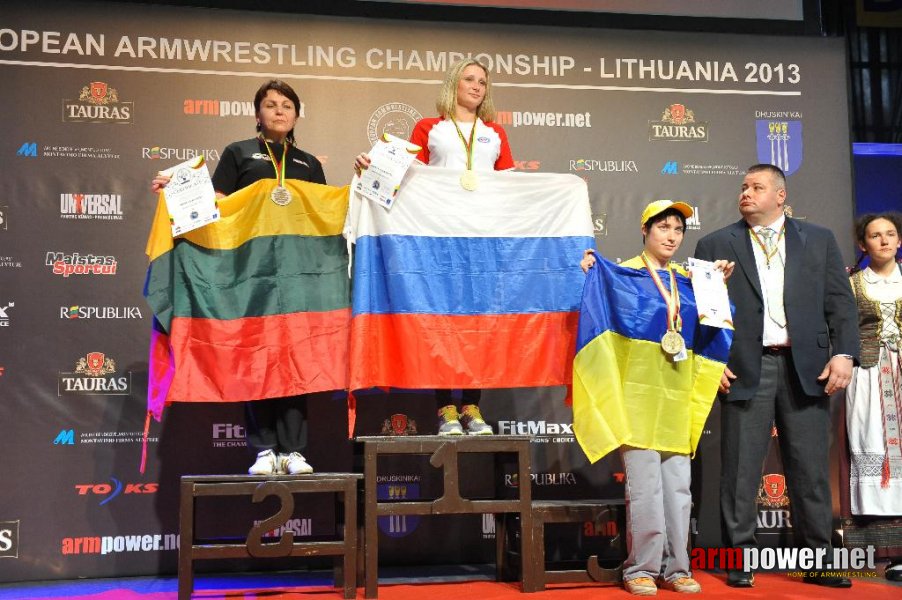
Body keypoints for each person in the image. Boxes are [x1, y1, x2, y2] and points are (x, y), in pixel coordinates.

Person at [694, 164, 860, 588]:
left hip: (807, 367)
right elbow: (704, 313)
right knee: (739, 470)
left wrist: (843, 354)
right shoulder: (715, 242)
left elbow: (841, 304)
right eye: (743, 187)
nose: (746, 193)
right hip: (746, 366)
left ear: (780, 196)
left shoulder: (818, 239)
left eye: (757, 187)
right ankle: (740, 558)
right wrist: (709, 362)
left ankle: (819, 559)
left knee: (810, 471)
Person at [151, 79, 326, 476]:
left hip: (296, 276)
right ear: (258, 115)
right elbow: (215, 203)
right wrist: (176, 188)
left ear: (296, 115)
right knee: (257, 356)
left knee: (295, 357)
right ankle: (265, 449)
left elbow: (323, 216)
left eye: (286, 105)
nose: (279, 110)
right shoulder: (239, 153)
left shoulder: (310, 164)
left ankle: (294, 451)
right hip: (251, 272)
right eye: (270, 104)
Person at [578, 200, 734, 596]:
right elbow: (592, 308)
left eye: (678, 230)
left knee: (679, 489)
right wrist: (589, 272)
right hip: (637, 397)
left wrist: (717, 284)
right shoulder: (623, 274)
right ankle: (640, 569)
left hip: (677, 395)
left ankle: (677, 566)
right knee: (645, 488)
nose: (671, 236)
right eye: (663, 227)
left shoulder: (689, 280)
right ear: (645, 230)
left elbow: (711, 328)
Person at [354, 58, 513, 436]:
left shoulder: (496, 133)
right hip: (440, 237)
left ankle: (473, 406)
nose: (477, 86)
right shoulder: (429, 128)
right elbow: (407, 179)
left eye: (482, 82)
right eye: (469, 79)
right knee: (443, 320)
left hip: (483, 239)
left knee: (478, 322)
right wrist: (370, 168)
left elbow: (510, 186)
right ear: (453, 85)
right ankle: (446, 408)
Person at [844, 212, 902, 581]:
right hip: (866, 377)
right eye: (875, 236)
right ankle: (875, 549)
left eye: (890, 234)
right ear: (863, 244)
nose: (884, 241)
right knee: (872, 448)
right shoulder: (851, 284)